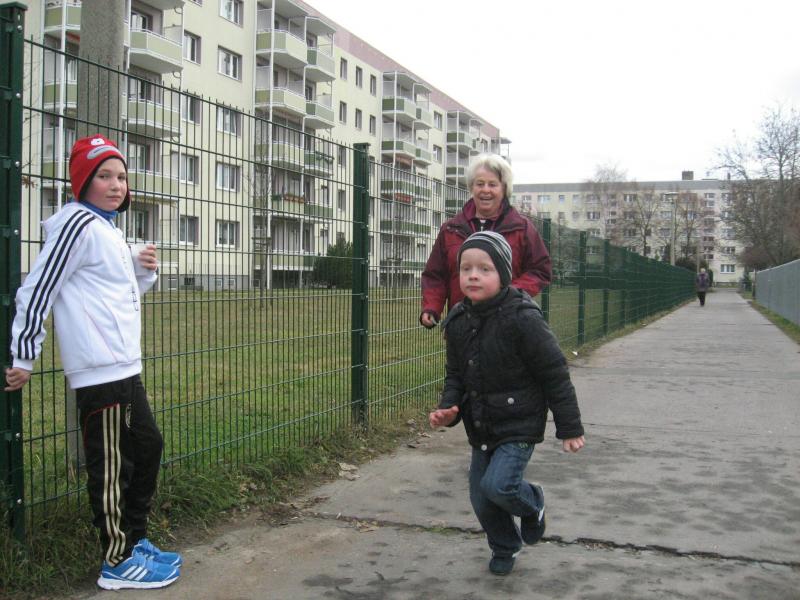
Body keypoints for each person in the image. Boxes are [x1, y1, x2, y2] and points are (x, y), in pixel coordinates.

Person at [4, 135, 181, 590]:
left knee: (148, 447)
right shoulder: (76, 225)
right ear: (82, 181)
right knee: (111, 466)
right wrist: (24, 354)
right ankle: (116, 562)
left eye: (121, 176)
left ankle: (134, 540)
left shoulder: (107, 230)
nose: (116, 185)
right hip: (99, 373)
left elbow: (116, 293)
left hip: (125, 368)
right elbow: (38, 289)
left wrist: (142, 268)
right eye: (104, 176)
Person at [428, 231, 585, 576]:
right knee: (481, 498)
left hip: (520, 423)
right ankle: (505, 545)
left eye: (484, 269)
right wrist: (449, 409)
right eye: (466, 268)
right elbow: (456, 374)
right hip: (482, 424)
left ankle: (533, 504)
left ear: (503, 274)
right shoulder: (458, 320)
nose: (473, 275)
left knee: (499, 486)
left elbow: (554, 373)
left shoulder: (522, 318)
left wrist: (570, 427)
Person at [419, 153, 551, 328]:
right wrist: (431, 306)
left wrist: (509, 294)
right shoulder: (450, 229)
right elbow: (435, 274)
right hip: (463, 326)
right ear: (471, 187)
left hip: (507, 324)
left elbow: (540, 270)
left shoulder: (522, 228)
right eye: (480, 184)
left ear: (504, 189)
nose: (485, 190)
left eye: (492, 184)